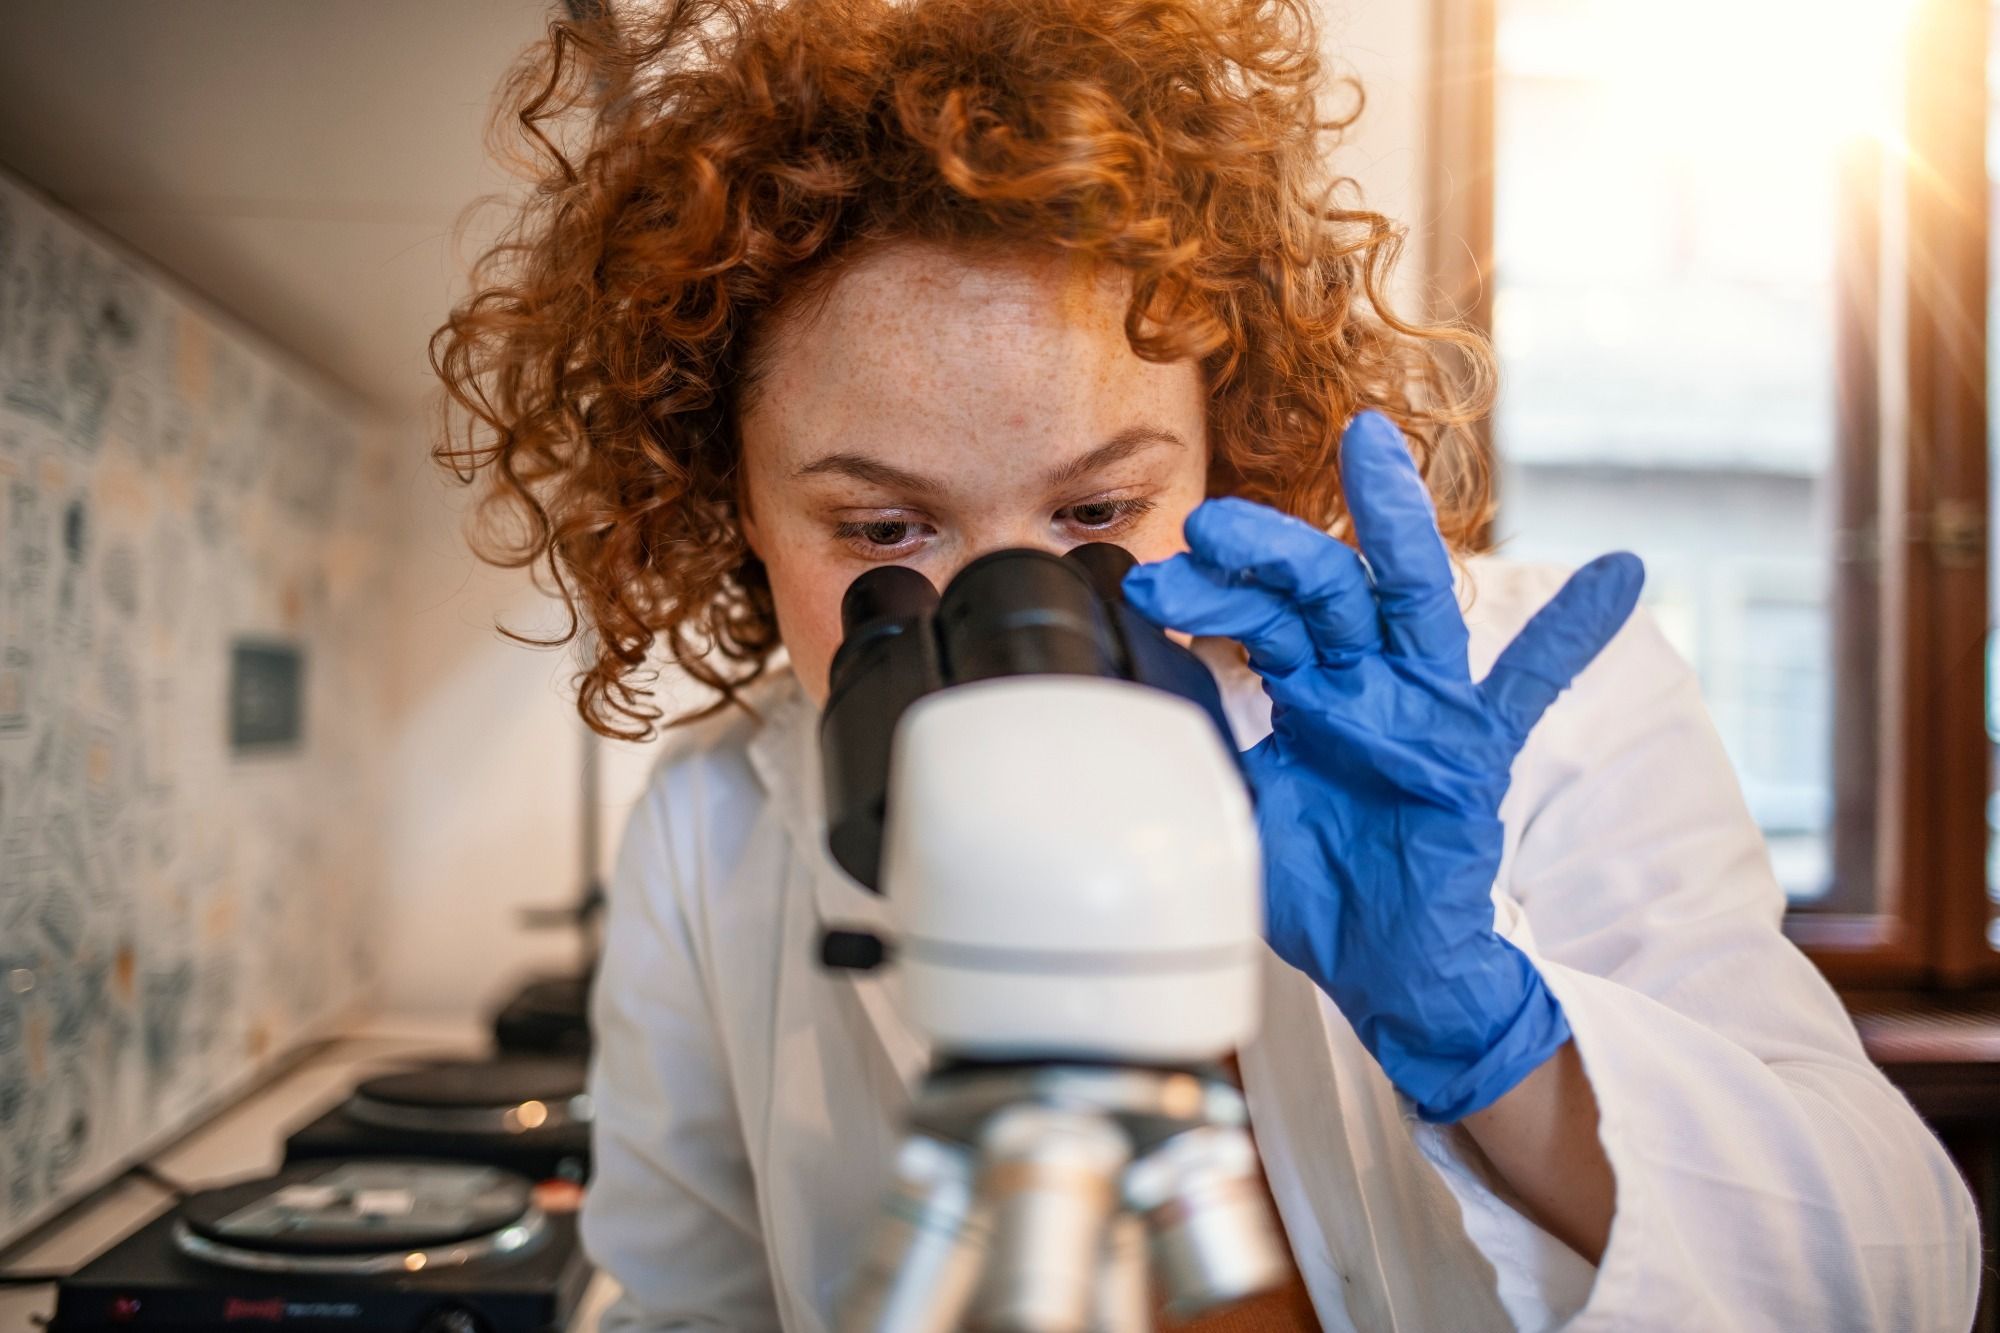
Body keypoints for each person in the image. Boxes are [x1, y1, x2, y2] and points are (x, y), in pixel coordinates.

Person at [430, 0, 1980, 1328]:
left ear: (1230, 446)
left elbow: (1900, 1281)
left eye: (1097, 512)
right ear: (736, 514)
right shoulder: (716, 825)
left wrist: (1491, 1036)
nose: (1002, 609)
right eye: (884, 529)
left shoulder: (1519, 697)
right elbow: (682, 1301)